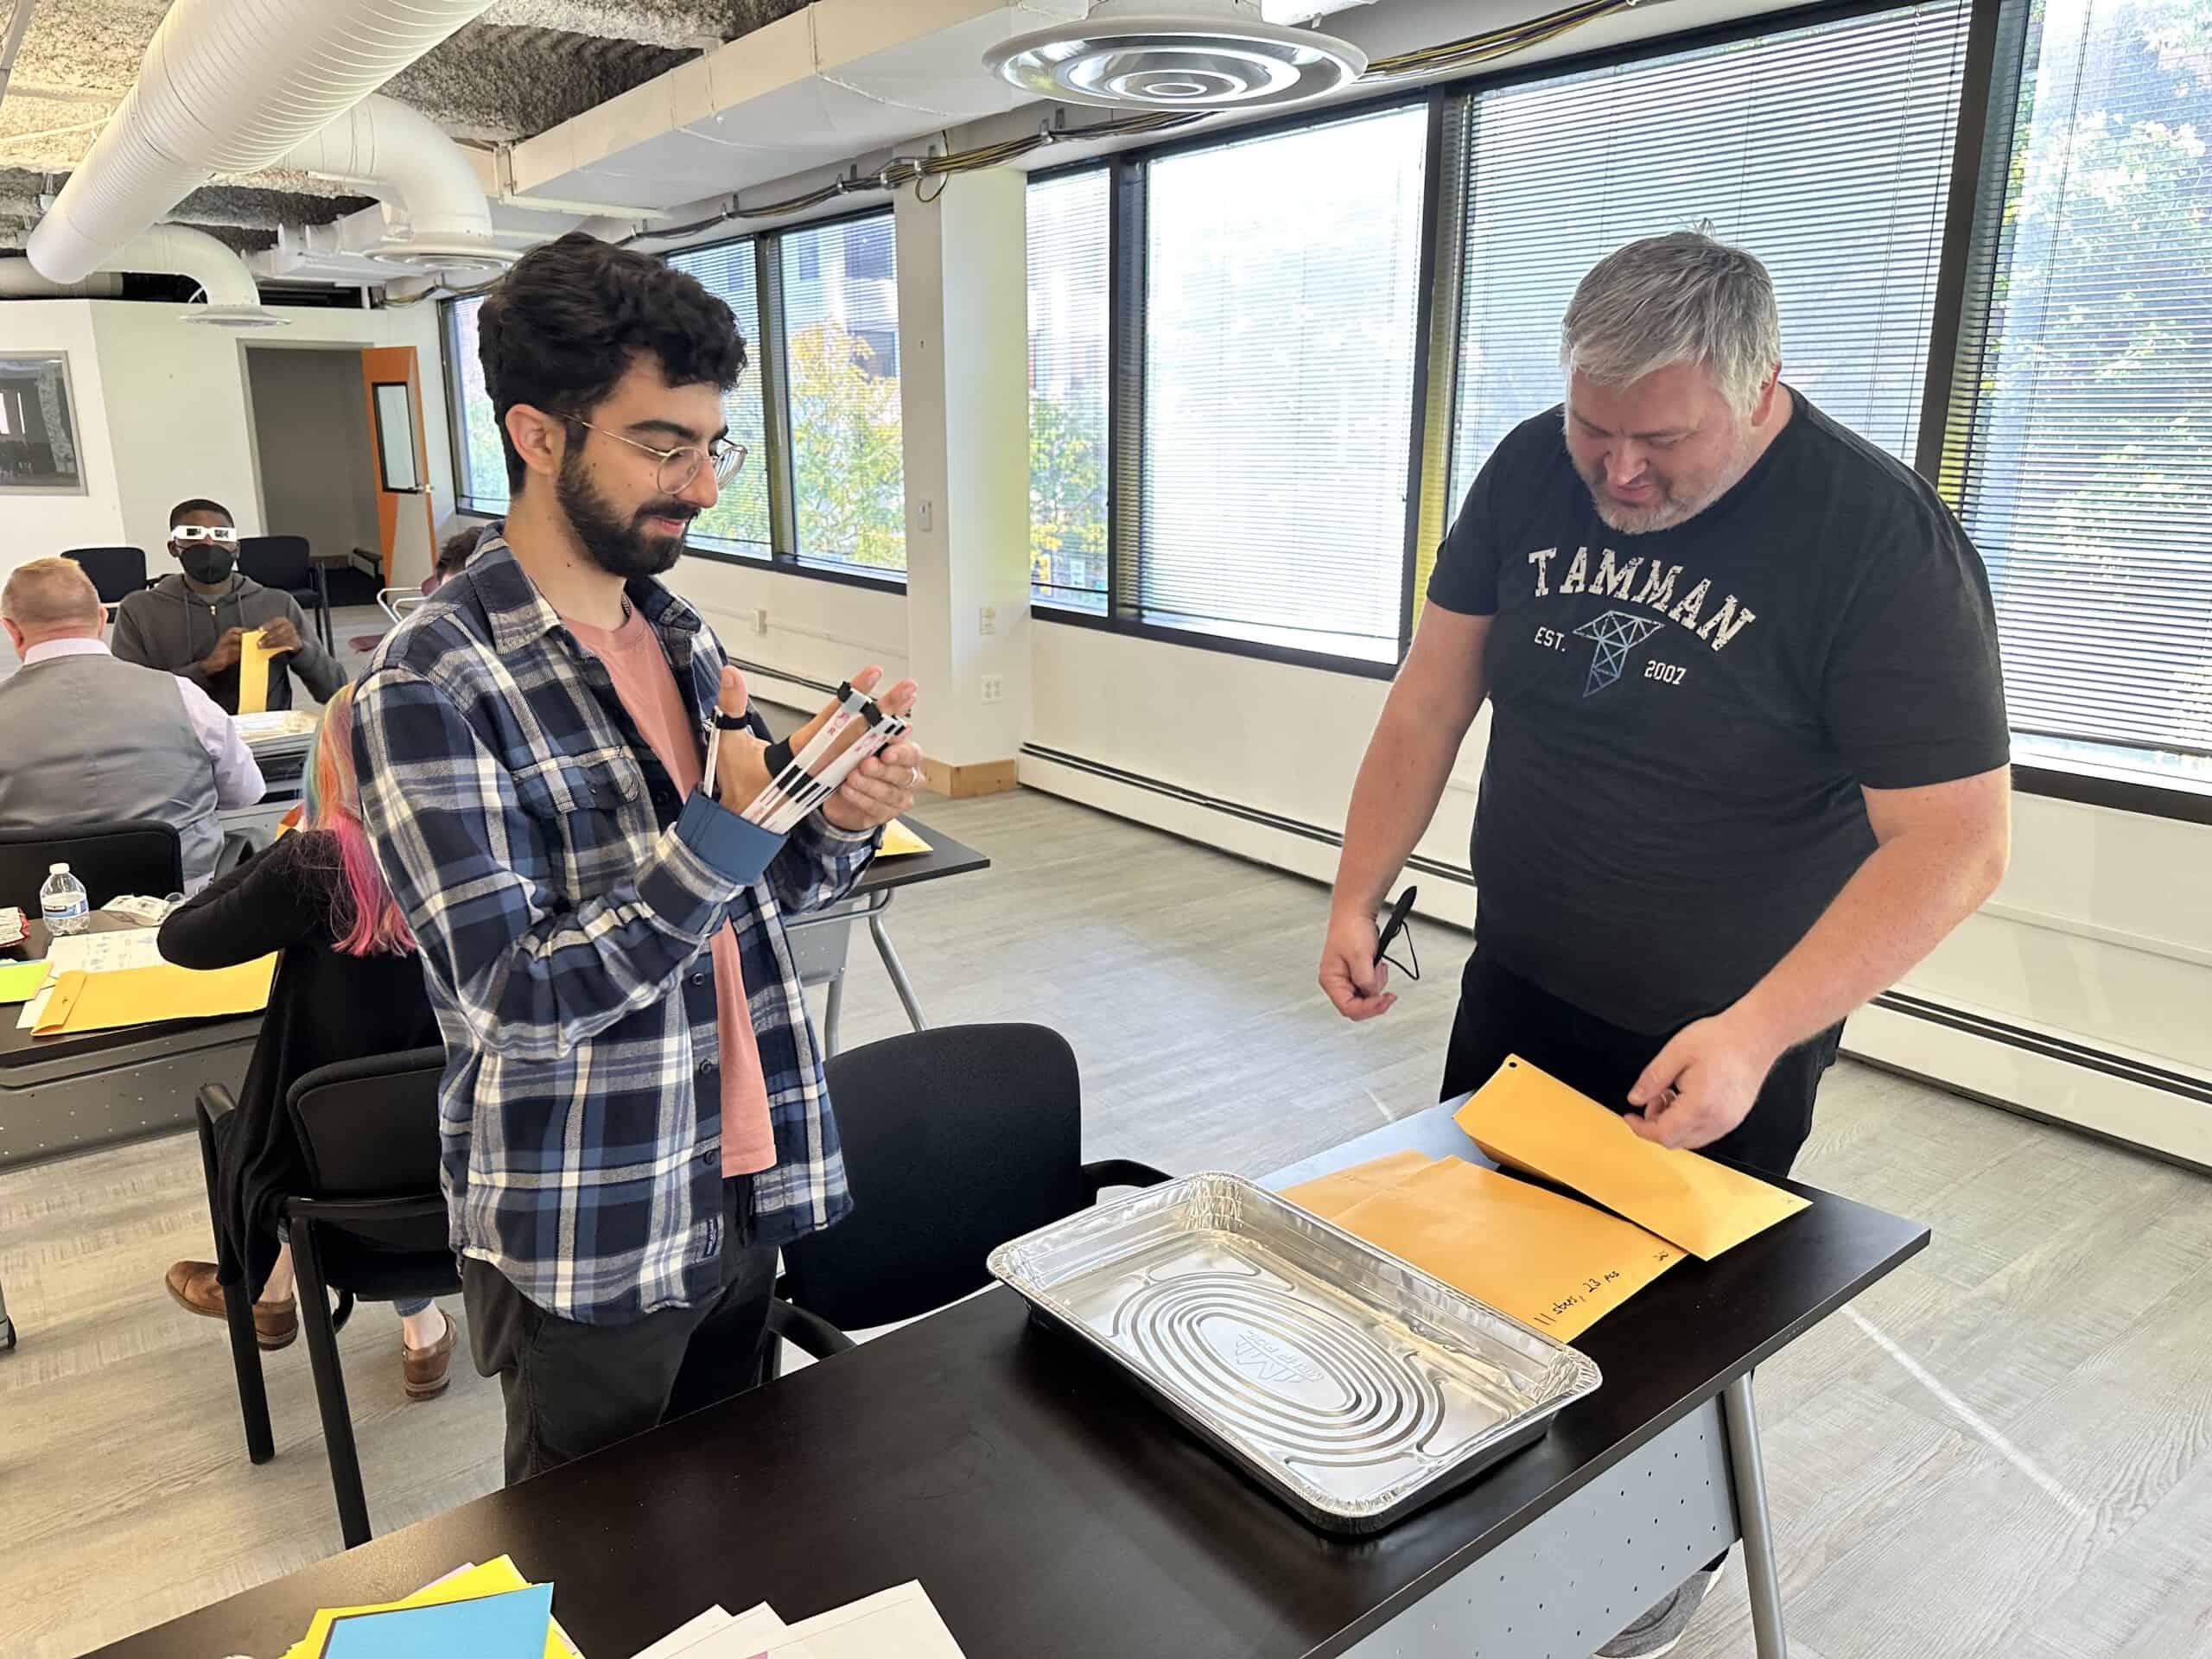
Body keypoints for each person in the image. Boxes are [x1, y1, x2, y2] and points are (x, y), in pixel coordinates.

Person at [1319, 231, 2012, 1657]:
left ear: (1762, 394)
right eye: (1595, 428)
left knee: (1641, 1344)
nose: (1620, 473)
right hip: (1520, 980)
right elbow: (1429, 700)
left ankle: (1623, 1589)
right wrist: (1353, 888)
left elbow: (1956, 843)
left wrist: (1760, 1031)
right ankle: (1453, 1546)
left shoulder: (1876, 539)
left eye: (1662, 441)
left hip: (1718, 1040)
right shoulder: (1527, 469)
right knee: (1467, 1285)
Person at [352, 232, 925, 1482]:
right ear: (538, 435)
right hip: (594, 1214)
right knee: (597, 1575)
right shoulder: (433, 681)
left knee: (737, 1528)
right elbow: (516, 996)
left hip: (742, 1172)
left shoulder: (683, 637)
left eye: (715, 446)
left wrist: (832, 817)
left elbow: (758, 904)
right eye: (663, 446)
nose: (704, 486)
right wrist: (722, 838)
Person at [158, 683, 455, 1393]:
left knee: (280, 1110)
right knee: (378, 1109)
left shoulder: (316, 867)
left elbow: (183, 939)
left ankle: (264, 1288)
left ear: (334, 759)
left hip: (328, 1183)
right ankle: (421, 1329)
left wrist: (287, 850)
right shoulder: (487, 845)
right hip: (467, 1166)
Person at [0, 556, 264, 892]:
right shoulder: (182, 694)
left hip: (39, 912)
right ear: (101, 618)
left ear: (11, 628)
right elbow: (246, 793)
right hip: (183, 906)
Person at [111, 498, 347, 715]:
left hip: (266, 745)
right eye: (193, 534)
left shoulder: (277, 603)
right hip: (181, 746)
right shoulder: (139, 610)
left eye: (220, 534)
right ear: (173, 547)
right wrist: (204, 669)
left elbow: (335, 689)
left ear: (237, 548)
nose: (208, 542)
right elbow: (129, 700)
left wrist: (299, 648)